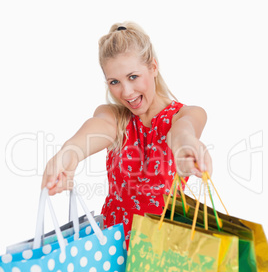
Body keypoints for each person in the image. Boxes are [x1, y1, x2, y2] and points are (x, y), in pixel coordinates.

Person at [42, 21, 212, 248]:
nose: (126, 92)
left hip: (163, 251)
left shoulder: (186, 114)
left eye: (133, 76)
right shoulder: (114, 117)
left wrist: (185, 145)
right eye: (115, 82)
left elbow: (182, 131)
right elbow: (93, 132)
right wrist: (69, 153)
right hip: (111, 250)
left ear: (153, 67)